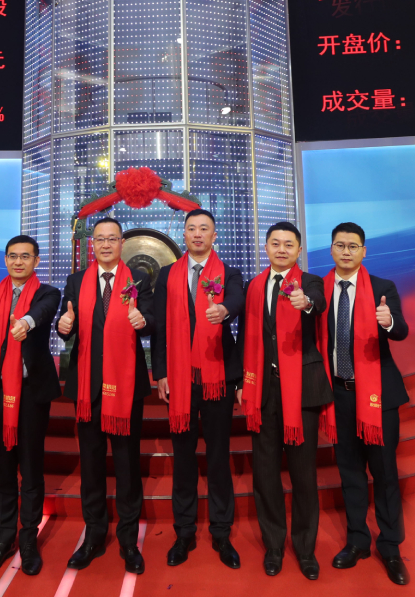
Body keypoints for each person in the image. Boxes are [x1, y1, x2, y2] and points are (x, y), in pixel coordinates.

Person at [57, 217, 154, 575]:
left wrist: (144, 321)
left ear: (122, 242)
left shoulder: (139, 279)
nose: (106, 244)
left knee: (127, 465)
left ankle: (128, 540)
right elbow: (65, 323)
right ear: (93, 244)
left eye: (113, 239)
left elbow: (152, 318)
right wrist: (63, 326)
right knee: (92, 464)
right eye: (100, 239)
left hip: (126, 386)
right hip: (88, 387)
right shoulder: (75, 281)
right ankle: (94, 535)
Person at [237, 222, 334, 581]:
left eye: (288, 244)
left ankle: (305, 549)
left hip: (302, 391)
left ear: (298, 250)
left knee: (303, 474)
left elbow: (318, 303)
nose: (281, 249)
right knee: (265, 474)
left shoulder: (310, 282)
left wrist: (305, 303)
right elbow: (245, 335)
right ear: (266, 247)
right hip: (263, 390)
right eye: (275, 243)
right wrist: (242, 382)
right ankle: (274, 546)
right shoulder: (255, 286)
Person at [151, 209, 245, 569]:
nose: (197, 234)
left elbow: (236, 300)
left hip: (218, 376)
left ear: (214, 235)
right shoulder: (167, 274)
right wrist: (161, 372)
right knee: (184, 458)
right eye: (191, 228)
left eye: (204, 228)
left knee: (219, 456)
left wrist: (223, 310)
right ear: (184, 234)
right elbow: (159, 326)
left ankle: (221, 532)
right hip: (179, 377)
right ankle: (184, 532)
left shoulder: (229, 273)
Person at [323, 223, 411, 586]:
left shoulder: (381, 288)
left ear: (364, 251)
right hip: (339, 394)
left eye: (353, 246)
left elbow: (401, 330)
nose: (346, 252)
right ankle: (357, 541)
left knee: (385, 473)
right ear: (331, 249)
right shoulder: (320, 289)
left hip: (378, 396)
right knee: (350, 472)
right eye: (340, 245)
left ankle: (390, 547)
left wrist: (388, 322)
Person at [0, 235, 62, 577]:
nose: (18, 262)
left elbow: (41, 313)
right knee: (2, 470)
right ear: (6, 260)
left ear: (36, 261)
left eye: (25, 256)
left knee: (31, 469)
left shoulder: (47, 293)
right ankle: (3, 538)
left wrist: (24, 322)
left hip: (31, 392)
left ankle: (28, 540)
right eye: (13, 256)